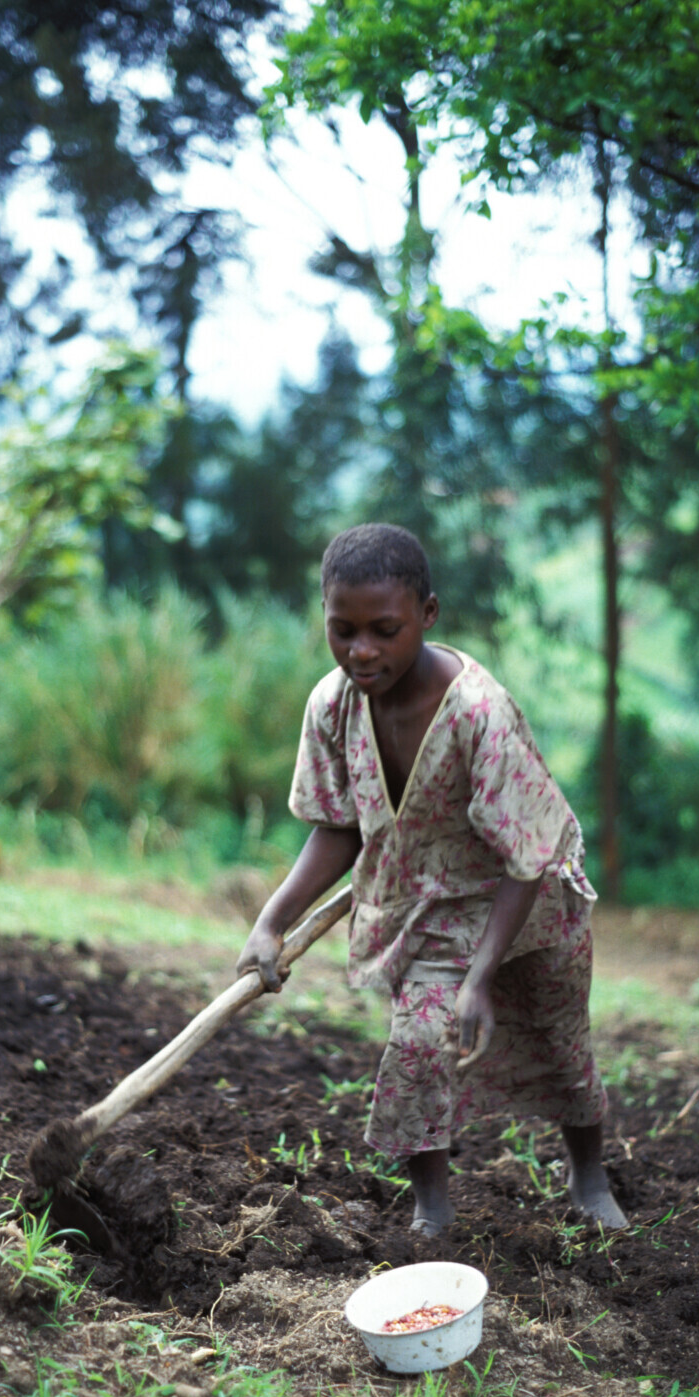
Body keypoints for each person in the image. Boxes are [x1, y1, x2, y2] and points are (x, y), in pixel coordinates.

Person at [236, 523, 626, 1236]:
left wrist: (479, 979)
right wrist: (271, 921)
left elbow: (523, 858)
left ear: (427, 615)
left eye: (384, 630)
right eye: (342, 629)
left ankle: (588, 1174)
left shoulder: (478, 712)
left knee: (559, 1041)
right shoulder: (332, 705)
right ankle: (433, 1208)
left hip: (528, 894)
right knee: (418, 1043)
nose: (361, 650)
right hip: (427, 902)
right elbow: (338, 827)